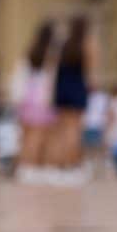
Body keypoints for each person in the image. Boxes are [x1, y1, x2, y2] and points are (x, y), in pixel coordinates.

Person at [12, 21, 58, 182]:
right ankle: (30, 167)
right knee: (38, 137)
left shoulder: (30, 51)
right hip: (42, 98)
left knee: (26, 136)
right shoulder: (50, 53)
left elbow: (20, 74)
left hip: (27, 97)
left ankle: (26, 166)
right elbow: (51, 77)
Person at [51, 15, 94, 180]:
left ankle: (59, 166)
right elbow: (89, 71)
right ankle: (71, 166)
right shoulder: (85, 44)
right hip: (77, 87)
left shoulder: (64, 44)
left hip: (62, 88)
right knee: (74, 130)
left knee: (61, 131)